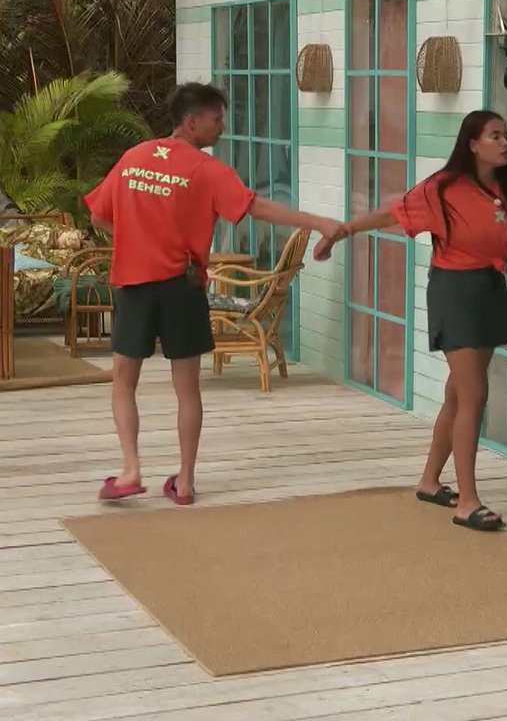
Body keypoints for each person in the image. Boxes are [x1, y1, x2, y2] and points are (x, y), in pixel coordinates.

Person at [86, 82, 345, 506]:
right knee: (187, 389)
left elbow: (98, 217)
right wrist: (319, 222)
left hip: (134, 284)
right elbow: (257, 207)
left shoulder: (133, 159)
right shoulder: (206, 170)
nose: (222, 127)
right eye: (217, 119)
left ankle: (130, 470)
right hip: (182, 287)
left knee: (123, 382)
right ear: (192, 122)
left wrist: (135, 241)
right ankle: (185, 482)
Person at [314, 110, 507, 532]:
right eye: (494, 136)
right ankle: (468, 502)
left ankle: (429, 481)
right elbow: (391, 213)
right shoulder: (442, 188)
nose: (504, 142)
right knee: (474, 394)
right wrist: (344, 230)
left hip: (490, 288)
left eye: (505, 136)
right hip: (454, 291)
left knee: (458, 394)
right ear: (472, 144)